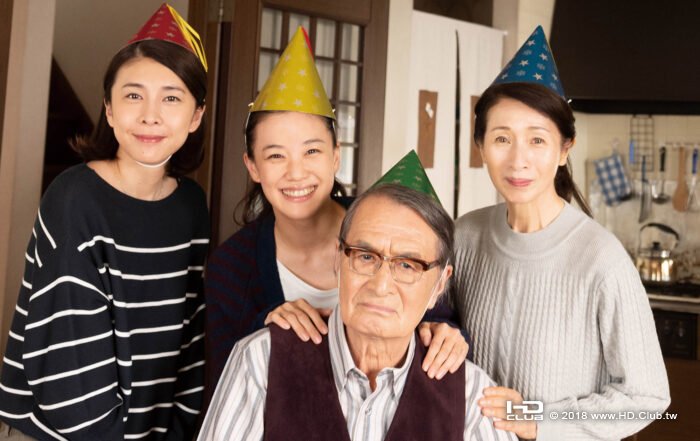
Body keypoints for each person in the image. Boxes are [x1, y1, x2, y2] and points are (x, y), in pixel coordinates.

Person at [203, 28, 468, 408]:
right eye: (276, 155)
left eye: (312, 151)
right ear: (253, 166)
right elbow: (225, 389)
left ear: (336, 156)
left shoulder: (389, 227)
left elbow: (439, 318)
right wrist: (268, 326)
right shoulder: (230, 268)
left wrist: (446, 334)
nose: (296, 173)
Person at [0, 4, 209, 440]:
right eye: (133, 96)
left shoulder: (191, 205)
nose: (150, 115)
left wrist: (178, 429)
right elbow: (68, 366)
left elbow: (190, 336)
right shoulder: (75, 199)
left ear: (196, 116)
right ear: (109, 109)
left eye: (171, 98)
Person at [451, 26, 670, 440]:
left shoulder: (601, 260)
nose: (518, 160)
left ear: (565, 149)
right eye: (502, 138)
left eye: (537, 140)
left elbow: (647, 398)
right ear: (480, 146)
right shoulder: (464, 236)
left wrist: (535, 416)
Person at [199, 183, 515, 441]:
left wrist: (537, 416)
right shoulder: (260, 360)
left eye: (408, 265)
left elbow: (533, 413)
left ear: (439, 286)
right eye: (365, 256)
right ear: (338, 260)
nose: (381, 285)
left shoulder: (470, 390)